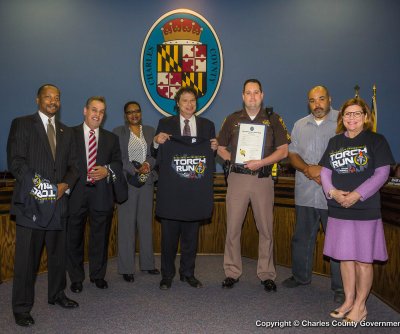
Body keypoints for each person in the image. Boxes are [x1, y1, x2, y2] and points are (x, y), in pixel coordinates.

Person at [7, 84, 79, 327]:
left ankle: (57, 294)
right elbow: (16, 162)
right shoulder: (22, 124)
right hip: (32, 204)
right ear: (38, 99)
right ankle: (22, 307)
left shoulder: (66, 131)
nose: (52, 101)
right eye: (48, 97)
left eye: (57, 97)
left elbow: (75, 165)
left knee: (58, 255)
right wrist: (43, 187)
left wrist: (64, 185)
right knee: (27, 260)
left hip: (59, 203)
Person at [320, 97, 395, 322]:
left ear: (365, 117)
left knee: (363, 260)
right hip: (339, 208)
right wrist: (332, 192)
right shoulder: (335, 142)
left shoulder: (376, 140)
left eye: (356, 114)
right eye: (347, 114)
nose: (352, 118)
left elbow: (382, 174)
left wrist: (356, 195)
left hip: (365, 209)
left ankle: (361, 306)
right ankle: (349, 301)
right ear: (342, 118)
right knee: (345, 258)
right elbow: (324, 172)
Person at [217, 79, 290, 292]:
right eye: (248, 93)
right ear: (242, 96)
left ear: (262, 95)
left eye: (256, 92)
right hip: (238, 179)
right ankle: (231, 271)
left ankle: (267, 274)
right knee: (232, 228)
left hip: (262, 179)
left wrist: (261, 162)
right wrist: (232, 158)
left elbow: (283, 151)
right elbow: (220, 147)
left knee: (266, 228)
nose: (252, 96)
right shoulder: (231, 119)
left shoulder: (273, 119)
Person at [282, 86, 344, 303]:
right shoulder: (300, 124)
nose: (317, 104)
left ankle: (340, 287)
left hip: (335, 194)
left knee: (337, 241)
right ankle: (300, 277)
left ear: (330, 99)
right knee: (301, 238)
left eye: (321, 99)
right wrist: (309, 169)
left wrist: (323, 172)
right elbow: (292, 153)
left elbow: (346, 152)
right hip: (306, 191)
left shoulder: (342, 121)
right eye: (312, 100)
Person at [152, 86, 218, 290]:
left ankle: (188, 273)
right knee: (169, 238)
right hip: (172, 191)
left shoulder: (207, 125)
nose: (189, 105)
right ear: (177, 104)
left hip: (194, 192)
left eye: (192, 101)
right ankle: (167, 275)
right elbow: (157, 156)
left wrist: (214, 149)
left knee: (191, 236)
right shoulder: (165, 123)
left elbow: (207, 160)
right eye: (185, 101)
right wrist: (156, 142)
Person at [67, 96, 125, 292]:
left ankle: (98, 275)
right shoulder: (69, 134)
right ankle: (76, 278)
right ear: (85, 111)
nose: (97, 114)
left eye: (101, 112)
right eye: (94, 110)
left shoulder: (111, 138)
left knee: (100, 238)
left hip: (101, 194)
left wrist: (107, 170)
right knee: (74, 237)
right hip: (75, 194)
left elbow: (118, 162)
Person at [113, 101, 160, 283]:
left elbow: (155, 153)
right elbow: (119, 157)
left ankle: (148, 264)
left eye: (137, 111)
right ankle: (126, 268)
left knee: (145, 224)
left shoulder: (150, 131)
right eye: (130, 112)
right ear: (126, 115)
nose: (134, 114)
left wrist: (147, 164)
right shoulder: (118, 132)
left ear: (141, 113)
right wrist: (134, 169)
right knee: (126, 225)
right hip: (128, 183)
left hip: (147, 182)